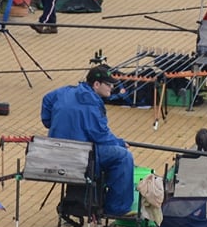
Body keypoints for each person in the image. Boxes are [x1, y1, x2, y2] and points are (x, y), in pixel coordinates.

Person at [40, 64, 136, 217]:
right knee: (124, 156)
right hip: (79, 157)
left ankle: (98, 199)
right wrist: (119, 143)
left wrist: (49, 122)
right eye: (109, 84)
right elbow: (101, 135)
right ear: (96, 84)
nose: (112, 87)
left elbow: (47, 100)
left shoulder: (64, 91)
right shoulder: (91, 103)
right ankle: (116, 209)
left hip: (56, 154)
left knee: (113, 152)